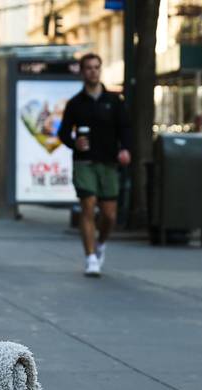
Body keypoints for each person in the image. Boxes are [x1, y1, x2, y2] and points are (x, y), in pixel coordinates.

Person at [58, 53, 131, 277]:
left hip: (109, 162)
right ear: (82, 71)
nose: (93, 71)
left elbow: (125, 129)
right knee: (88, 206)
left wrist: (125, 149)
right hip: (85, 163)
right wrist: (74, 142)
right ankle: (90, 257)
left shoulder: (113, 101)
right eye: (88, 68)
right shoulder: (75, 104)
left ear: (101, 70)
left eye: (96, 67)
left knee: (109, 215)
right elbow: (62, 133)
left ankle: (100, 243)